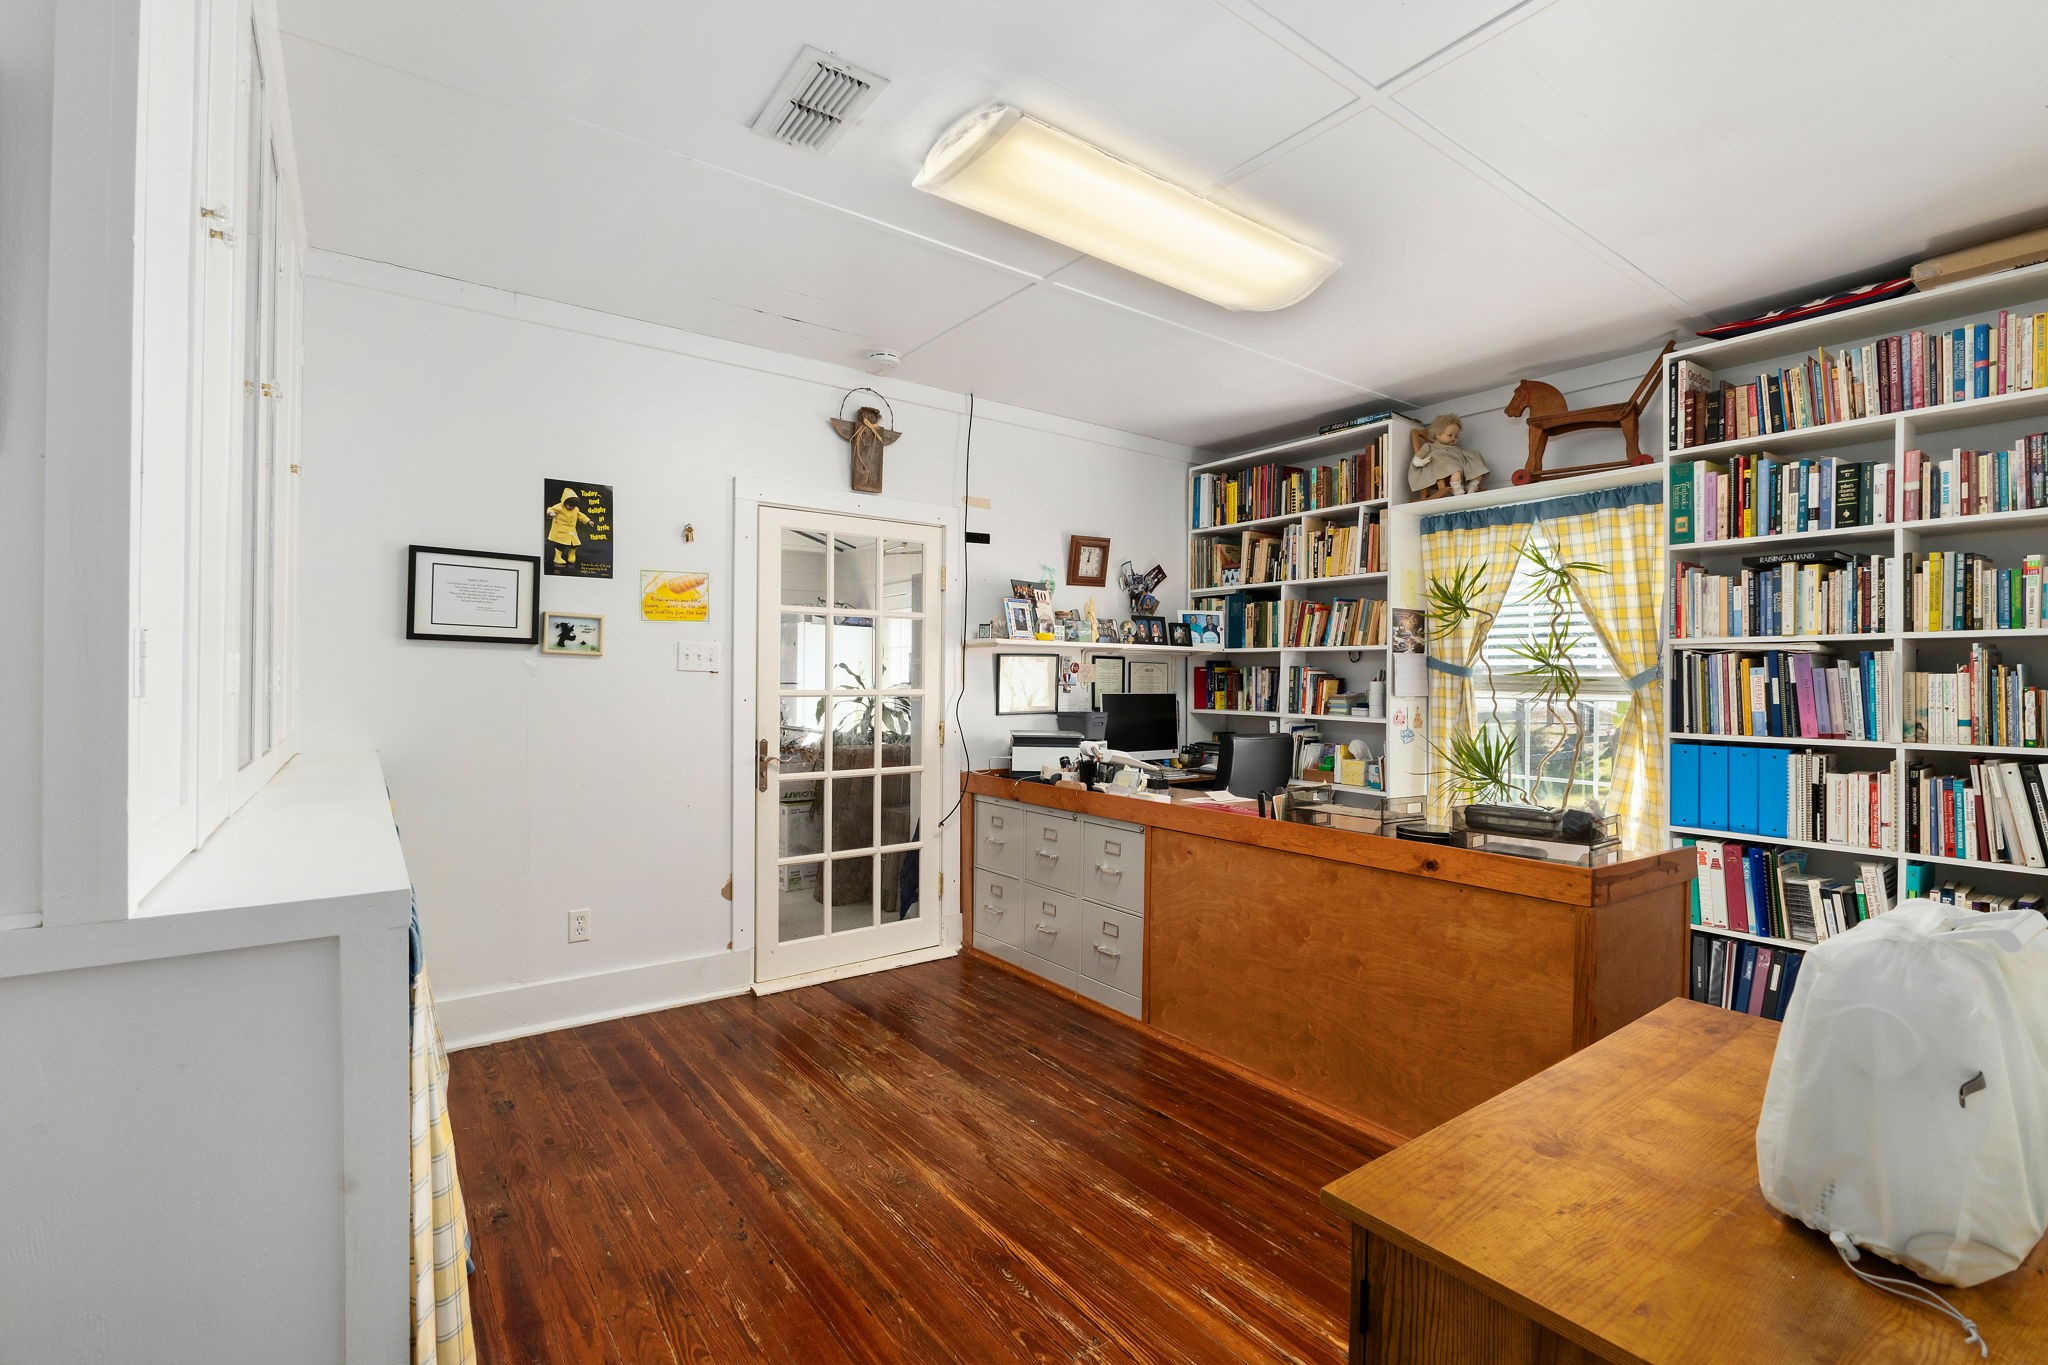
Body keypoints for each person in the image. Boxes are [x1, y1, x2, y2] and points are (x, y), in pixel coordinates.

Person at [1408, 415, 1489, 499]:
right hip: (1444, 468)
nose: (1454, 438)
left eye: (1456, 436)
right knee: (1455, 469)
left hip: (1458, 466)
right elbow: (1419, 456)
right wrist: (1418, 461)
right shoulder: (1430, 446)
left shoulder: (1454, 448)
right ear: (1437, 434)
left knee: (1475, 460)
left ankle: (1472, 486)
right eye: (1450, 435)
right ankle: (1457, 489)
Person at [545, 487, 594, 567]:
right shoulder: (559, 507)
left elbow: (580, 515)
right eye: (570, 506)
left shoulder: (575, 509)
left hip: (571, 531)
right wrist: (551, 513)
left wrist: (588, 521)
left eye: (573, 506)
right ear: (564, 502)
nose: (571, 508)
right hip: (561, 530)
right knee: (561, 544)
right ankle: (557, 557)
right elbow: (550, 509)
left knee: (576, 544)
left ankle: (571, 554)